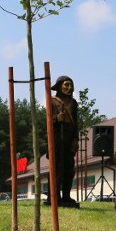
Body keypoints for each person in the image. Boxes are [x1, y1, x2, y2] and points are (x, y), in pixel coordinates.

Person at [46, 75, 79, 207]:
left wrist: (76, 138)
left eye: (70, 85)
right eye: (66, 84)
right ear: (59, 86)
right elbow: (47, 121)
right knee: (56, 167)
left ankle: (66, 195)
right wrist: (56, 119)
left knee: (69, 167)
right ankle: (53, 195)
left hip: (69, 137)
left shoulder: (74, 103)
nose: (69, 87)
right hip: (56, 137)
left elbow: (76, 123)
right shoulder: (52, 101)